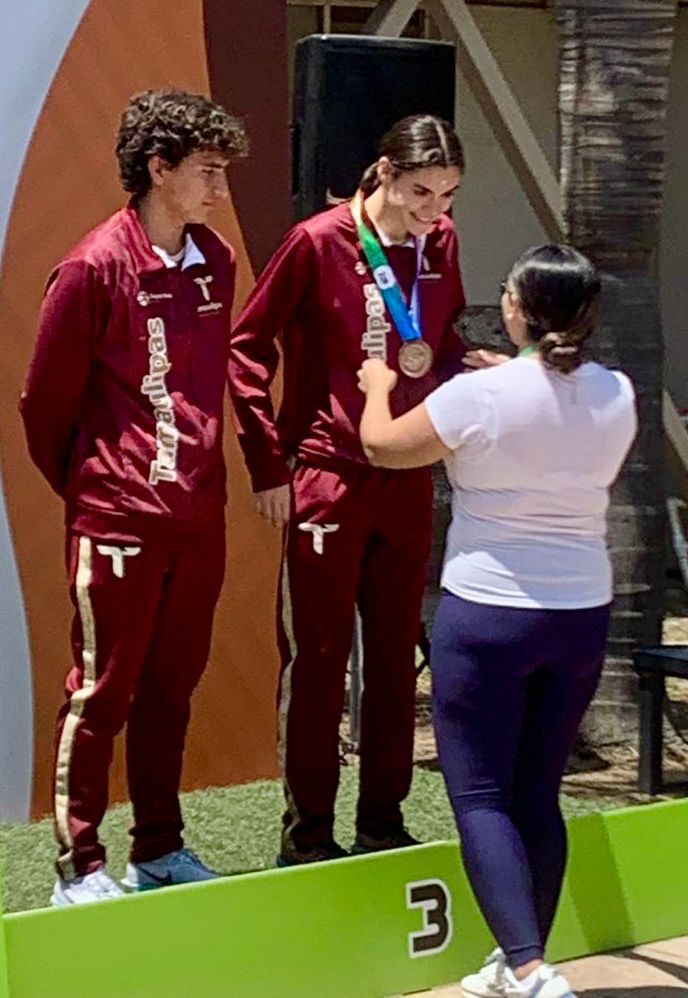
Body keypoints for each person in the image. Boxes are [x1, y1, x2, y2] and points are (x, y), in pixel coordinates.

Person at [358, 244, 636, 998]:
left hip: (488, 613)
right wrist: (509, 376)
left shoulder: (476, 396)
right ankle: (519, 961)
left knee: (481, 797)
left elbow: (382, 447)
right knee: (537, 792)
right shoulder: (617, 392)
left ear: (517, 308)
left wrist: (377, 387)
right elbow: (549, 408)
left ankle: (530, 968)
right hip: (579, 613)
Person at [20, 89, 248, 905]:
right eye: (207, 170)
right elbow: (45, 406)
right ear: (159, 168)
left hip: (199, 516)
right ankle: (79, 866)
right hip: (119, 517)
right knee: (101, 691)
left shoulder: (215, 260)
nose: (219, 188)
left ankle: (159, 849)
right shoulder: (91, 267)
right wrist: (100, 487)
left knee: (170, 689)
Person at [228, 114, 466, 865]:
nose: (434, 211)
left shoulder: (441, 243)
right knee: (320, 658)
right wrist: (270, 466)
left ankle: (383, 825)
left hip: (407, 474)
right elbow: (245, 348)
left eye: (448, 195)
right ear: (385, 172)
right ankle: (307, 836)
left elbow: (439, 342)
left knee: (396, 658)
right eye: (421, 192)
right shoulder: (317, 241)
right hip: (327, 474)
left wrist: (479, 377)